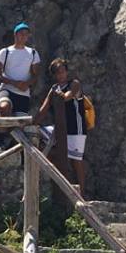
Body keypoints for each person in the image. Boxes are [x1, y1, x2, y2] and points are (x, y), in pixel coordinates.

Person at [37, 58, 89, 196]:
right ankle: (61, 180)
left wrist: (61, 95)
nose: (60, 75)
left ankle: (82, 194)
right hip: (60, 129)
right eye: (57, 73)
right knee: (38, 135)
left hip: (76, 128)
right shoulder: (54, 88)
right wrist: (32, 123)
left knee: (76, 161)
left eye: (62, 71)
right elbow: (43, 109)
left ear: (66, 71)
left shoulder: (74, 84)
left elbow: (67, 96)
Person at [0, 22, 41, 152]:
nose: (23, 36)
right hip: (7, 89)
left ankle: (9, 146)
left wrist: (27, 84)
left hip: (23, 93)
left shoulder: (33, 53)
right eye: (21, 33)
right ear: (15, 35)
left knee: (20, 124)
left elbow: (36, 75)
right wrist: (14, 83)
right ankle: (0, 141)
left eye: (26, 34)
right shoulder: (5, 52)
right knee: (4, 108)